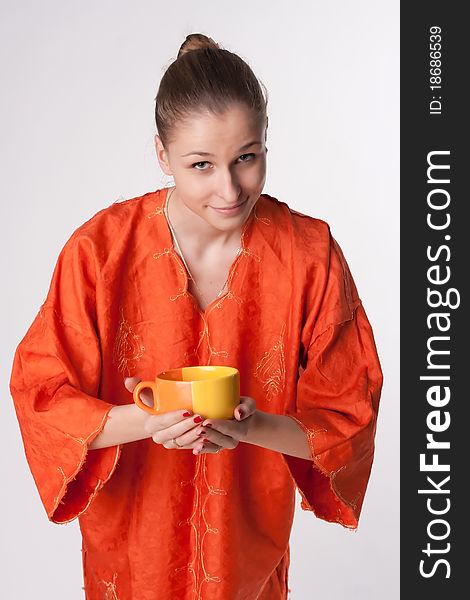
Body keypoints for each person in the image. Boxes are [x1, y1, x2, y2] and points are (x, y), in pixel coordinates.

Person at [9, 33, 383, 600]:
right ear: (162, 155)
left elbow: (348, 416)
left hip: (246, 550)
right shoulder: (101, 251)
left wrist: (249, 427)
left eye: (247, 159)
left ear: (265, 144)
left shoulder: (309, 253)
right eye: (201, 165)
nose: (229, 189)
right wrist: (148, 422)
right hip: (132, 547)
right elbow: (40, 395)